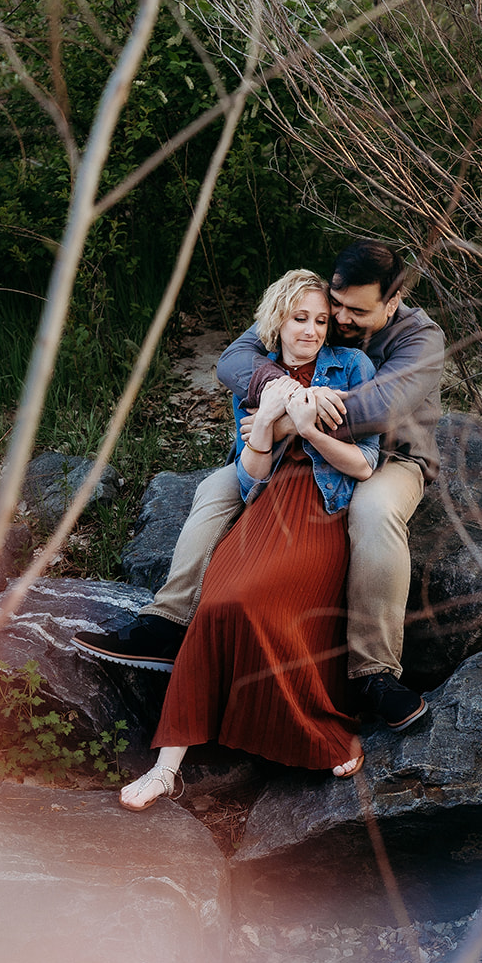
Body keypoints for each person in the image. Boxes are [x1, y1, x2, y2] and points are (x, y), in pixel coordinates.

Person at [74, 239, 445, 731]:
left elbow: (378, 408)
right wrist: (279, 385)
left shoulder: (421, 339)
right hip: (292, 453)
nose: (339, 319)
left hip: (387, 457)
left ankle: (373, 674)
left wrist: (285, 419)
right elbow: (233, 359)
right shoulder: (319, 307)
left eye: (357, 312)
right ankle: (166, 622)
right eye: (336, 305)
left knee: (374, 512)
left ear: (392, 302)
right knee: (214, 489)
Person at [117, 269, 379, 810]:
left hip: (323, 509)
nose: (311, 331)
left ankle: (317, 732)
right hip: (268, 505)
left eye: (321, 321)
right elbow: (250, 479)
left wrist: (307, 429)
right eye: (300, 318)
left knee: (262, 605)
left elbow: (363, 464)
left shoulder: (353, 366)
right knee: (218, 605)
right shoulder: (259, 378)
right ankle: (166, 769)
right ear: (278, 320)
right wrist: (264, 427)